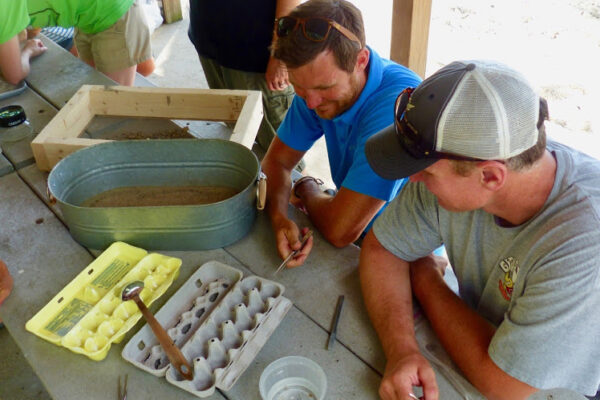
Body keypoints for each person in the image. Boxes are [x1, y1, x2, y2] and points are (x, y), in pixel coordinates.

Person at [361, 59, 600, 399]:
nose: (413, 178)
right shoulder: (461, 160)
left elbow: (504, 385)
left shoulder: (582, 241)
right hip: (492, 338)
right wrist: (401, 349)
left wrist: (426, 278)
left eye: (426, 172)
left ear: (491, 177)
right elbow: (383, 249)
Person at [261, 0, 422, 267]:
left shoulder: (397, 106)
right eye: (299, 87)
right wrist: (279, 218)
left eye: (325, 87)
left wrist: (309, 188)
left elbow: (340, 231)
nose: (311, 103)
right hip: (353, 219)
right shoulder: (314, 84)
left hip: (409, 250)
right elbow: (276, 162)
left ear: (361, 61)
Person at [188, 0, 300, 154]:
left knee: (284, 154)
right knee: (238, 132)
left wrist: (281, 51)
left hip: (257, 54)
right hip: (207, 37)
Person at [0, 0, 152, 86]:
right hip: (85, 16)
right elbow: (28, 29)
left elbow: (14, 75)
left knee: (114, 102)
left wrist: (28, 51)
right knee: (94, 86)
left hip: (113, 13)